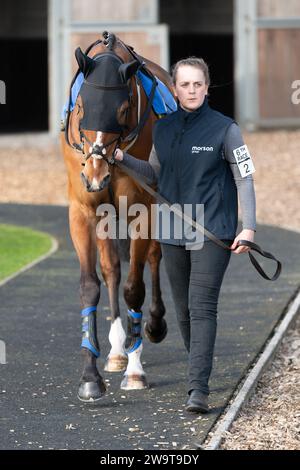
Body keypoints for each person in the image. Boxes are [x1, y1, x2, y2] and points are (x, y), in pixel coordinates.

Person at [114, 57, 256, 413]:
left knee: (202, 307)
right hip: (171, 232)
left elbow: (244, 177)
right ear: (174, 89)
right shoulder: (163, 129)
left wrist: (249, 227)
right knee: (183, 312)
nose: (191, 90)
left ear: (207, 87)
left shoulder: (227, 129)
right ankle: (200, 368)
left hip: (213, 232)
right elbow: (154, 174)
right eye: (184, 85)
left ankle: (198, 389)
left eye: (197, 84)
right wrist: (121, 158)